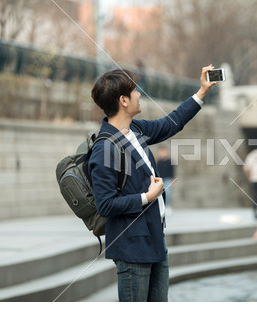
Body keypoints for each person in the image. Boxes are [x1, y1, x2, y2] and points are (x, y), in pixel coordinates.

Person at [88, 65, 216, 302]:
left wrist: (201, 92)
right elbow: (105, 205)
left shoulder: (134, 129)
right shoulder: (104, 148)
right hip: (132, 248)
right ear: (123, 101)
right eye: (135, 91)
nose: (139, 95)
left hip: (155, 240)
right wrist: (147, 197)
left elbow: (171, 123)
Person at [157, 146, 174, 216]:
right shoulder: (159, 162)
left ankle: (167, 206)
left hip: (167, 179)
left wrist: (172, 179)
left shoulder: (169, 161)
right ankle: (162, 207)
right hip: (161, 179)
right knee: (160, 194)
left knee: (167, 193)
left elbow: (172, 171)